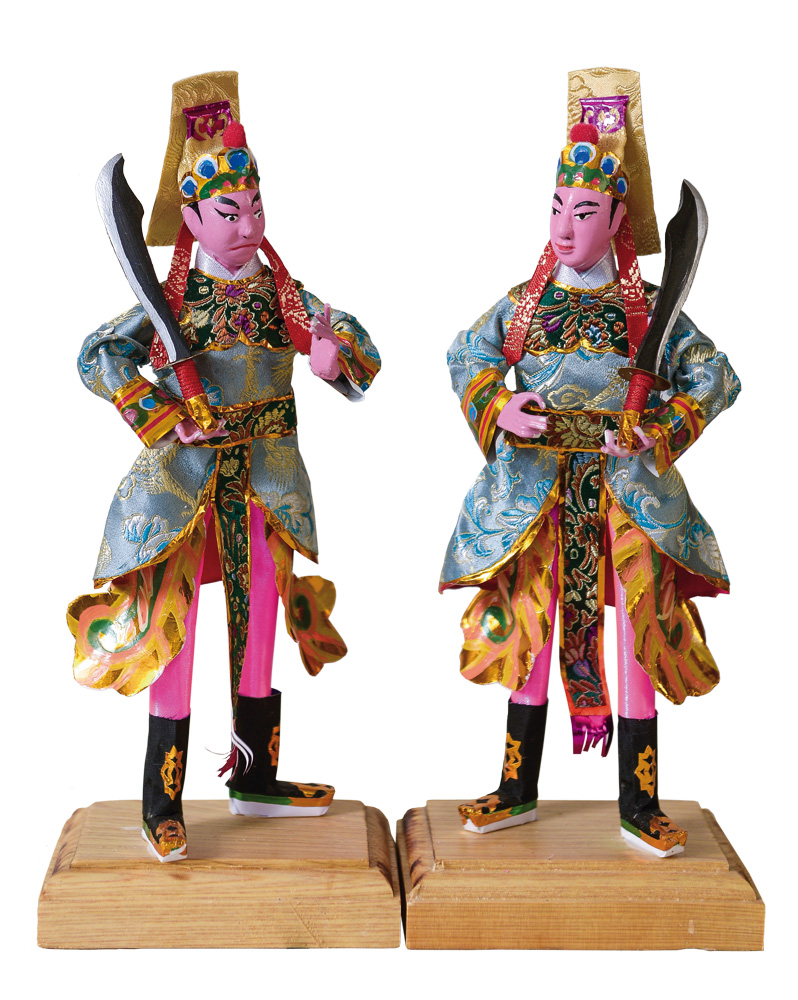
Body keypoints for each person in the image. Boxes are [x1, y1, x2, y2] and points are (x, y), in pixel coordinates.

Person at [68, 72, 380, 861]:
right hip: (183, 486)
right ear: (193, 220)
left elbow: (354, 340)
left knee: (262, 619)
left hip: (267, 482)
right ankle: (162, 797)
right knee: (175, 628)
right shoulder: (169, 304)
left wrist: (332, 358)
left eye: (255, 207)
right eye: (228, 212)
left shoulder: (285, 295)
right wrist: (162, 414)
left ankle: (255, 776)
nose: (246, 224)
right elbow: (98, 355)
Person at [440, 69, 739, 857]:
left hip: (624, 493)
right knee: (531, 630)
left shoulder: (652, 315)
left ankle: (640, 799)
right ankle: (516, 787)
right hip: (538, 491)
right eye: (556, 209)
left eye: (583, 212)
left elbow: (715, 376)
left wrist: (657, 431)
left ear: (617, 219)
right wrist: (497, 406)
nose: (565, 228)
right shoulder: (524, 305)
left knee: (640, 632)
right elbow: (466, 354)